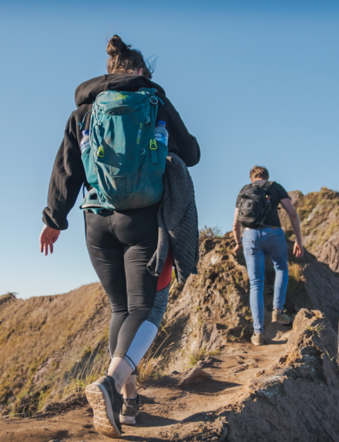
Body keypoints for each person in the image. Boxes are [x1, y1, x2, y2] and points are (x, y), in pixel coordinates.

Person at [39, 35, 200, 438]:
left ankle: (128, 404)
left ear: (108, 71)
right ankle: (110, 387)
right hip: (141, 221)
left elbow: (66, 169)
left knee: (119, 309)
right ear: (141, 72)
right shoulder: (153, 100)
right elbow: (192, 154)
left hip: (96, 221)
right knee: (145, 310)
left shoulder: (85, 109)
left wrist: (53, 220)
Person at [233, 166, 303, 346]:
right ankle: (277, 310)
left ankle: (258, 334)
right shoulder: (275, 187)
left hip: (249, 237)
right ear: (266, 177)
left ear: (251, 179)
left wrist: (238, 243)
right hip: (273, 234)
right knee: (281, 268)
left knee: (256, 283)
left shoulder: (244, 190)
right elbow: (292, 214)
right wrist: (298, 240)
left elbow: (235, 224)